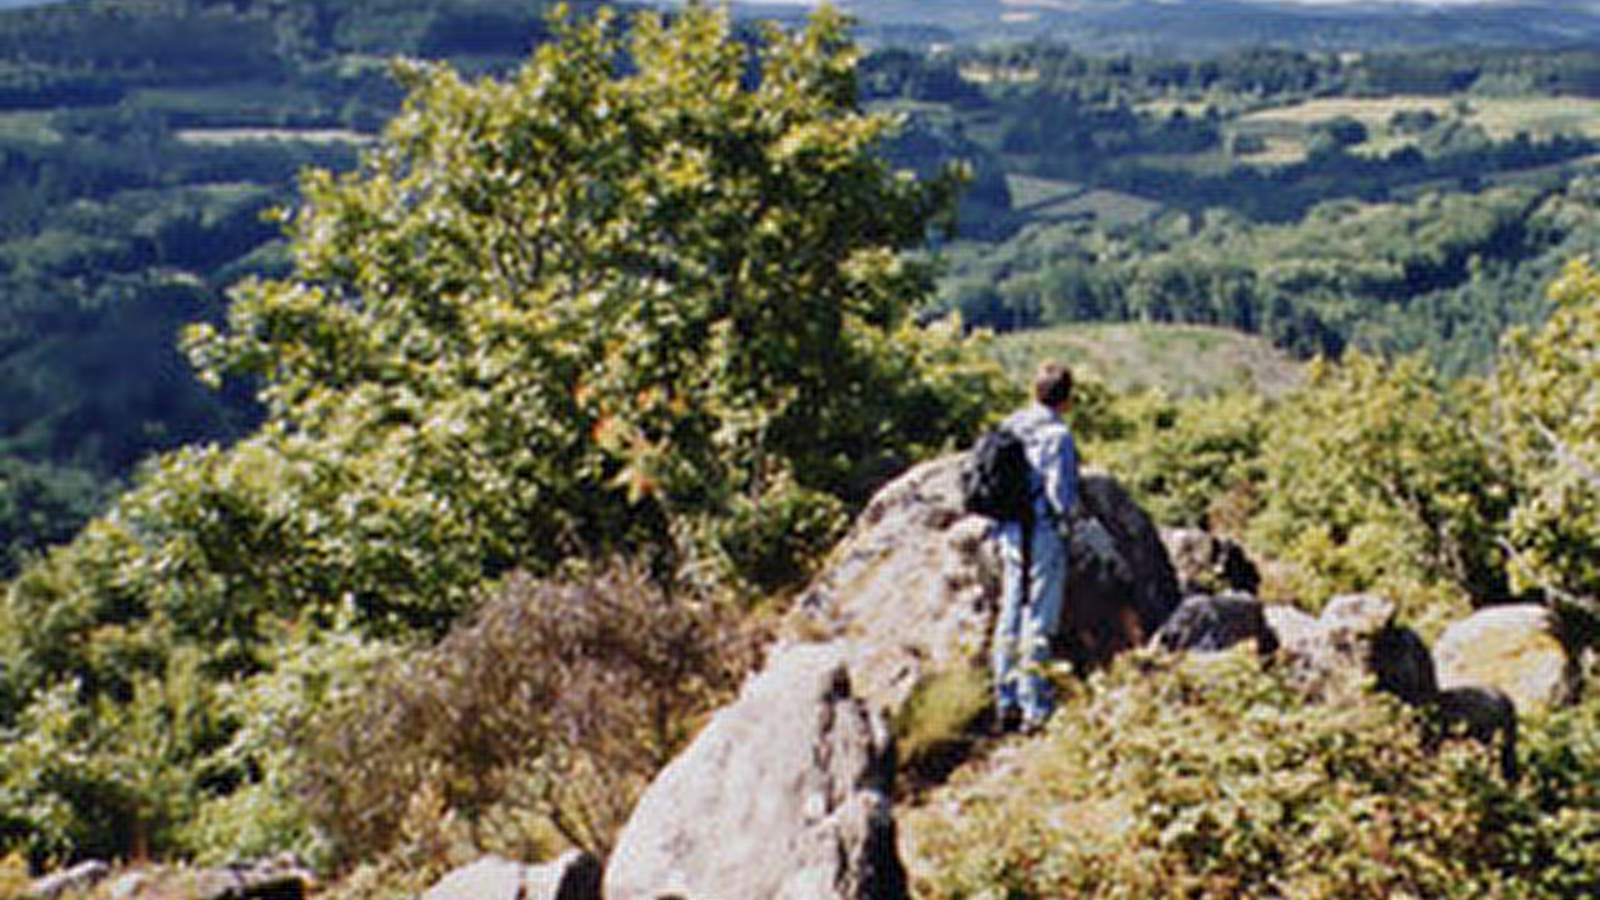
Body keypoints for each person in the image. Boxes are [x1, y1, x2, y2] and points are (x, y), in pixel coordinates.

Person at [992, 361, 1080, 734]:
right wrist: (1071, 527)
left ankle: (1005, 698)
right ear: (1067, 399)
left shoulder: (1012, 425)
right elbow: (1061, 496)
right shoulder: (1058, 436)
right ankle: (1036, 706)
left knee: (1010, 611)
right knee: (1039, 618)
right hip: (1042, 532)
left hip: (1009, 531)